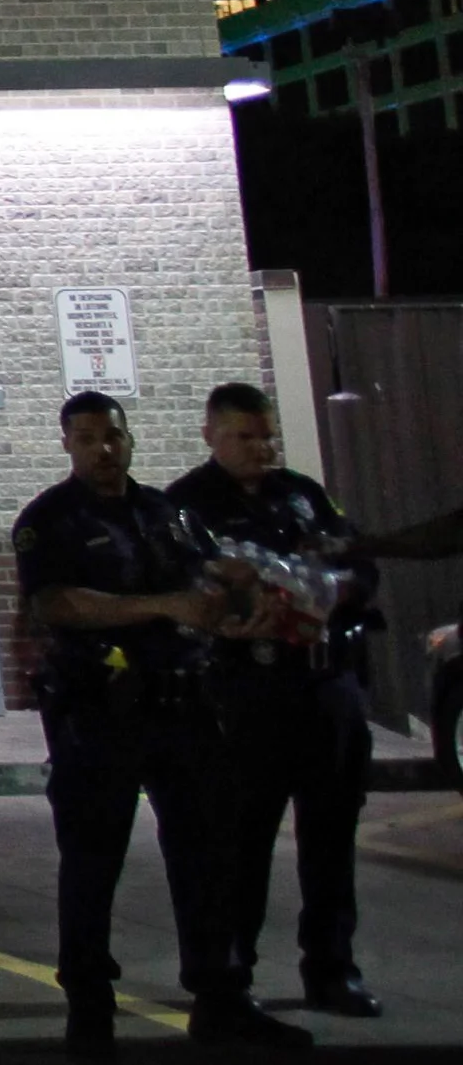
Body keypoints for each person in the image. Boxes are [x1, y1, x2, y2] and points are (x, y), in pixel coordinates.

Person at [10, 392, 280, 1056]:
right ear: (68, 445)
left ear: (131, 440)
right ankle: (90, 1008)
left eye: (114, 436)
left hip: (184, 708)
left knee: (206, 860)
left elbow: (212, 579)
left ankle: (219, 998)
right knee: (93, 862)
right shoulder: (51, 520)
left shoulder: (166, 513)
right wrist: (167, 605)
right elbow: (59, 604)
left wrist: (242, 597)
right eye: (89, 439)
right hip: (100, 711)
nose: (105, 449)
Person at [166, 380, 390, 1022]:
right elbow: (188, 585)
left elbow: (358, 561)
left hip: (324, 685)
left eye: (266, 435)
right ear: (211, 435)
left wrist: (333, 590)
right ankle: (232, 979)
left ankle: (332, 968)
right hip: (246, 692)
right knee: (241, 839)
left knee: (331, 834)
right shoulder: (186, 506)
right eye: (244, 436)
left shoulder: (303, 495)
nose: (260, 447)